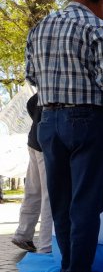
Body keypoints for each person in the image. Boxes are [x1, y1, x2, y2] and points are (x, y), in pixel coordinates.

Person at [26, 0, 103, 272]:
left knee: (61, 202)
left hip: (47, 120)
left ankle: (68, 270)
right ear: (102, 1)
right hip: (87, 119)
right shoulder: (97, 27)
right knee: (84, 202)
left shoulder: (39, 28)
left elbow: (32, 76)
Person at [12, 93, 53, 253]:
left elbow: (30, 105)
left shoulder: (41, 90)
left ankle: (23, 234)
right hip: (45, 144)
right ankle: (47, 245)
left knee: (33, 191)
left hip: (34, 141)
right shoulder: (56, 88)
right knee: (49, 196)